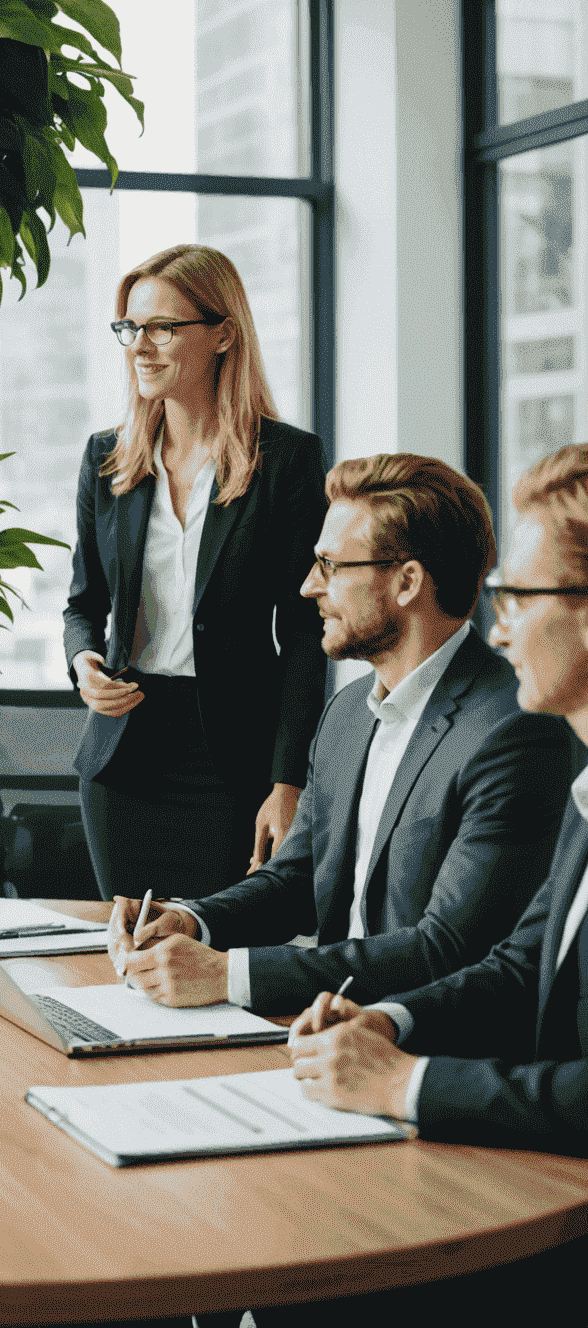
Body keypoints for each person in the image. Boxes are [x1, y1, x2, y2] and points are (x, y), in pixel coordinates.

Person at [274, 442, 588, 1324]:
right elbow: (521, 961)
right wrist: (390, 1020)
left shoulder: (514, 736)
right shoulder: (586, 788)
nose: (498, 628)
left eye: (519, 600)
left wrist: (402, 1083)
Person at [107, 454, 572, 1015]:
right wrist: (193, 919)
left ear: (406, 582)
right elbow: (298, 878)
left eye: (329, 565)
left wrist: (230, 974)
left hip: (409, 1047)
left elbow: (447, 950)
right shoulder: (348, 712)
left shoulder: (514, 731)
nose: (307, 587)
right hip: (322, 1034)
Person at [63, 243, 328, 900]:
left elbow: (305, 631)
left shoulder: (287, 461)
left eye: (162, 328)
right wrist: (83, 664)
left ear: (222, 335)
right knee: (129, 953)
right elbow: (81, 605)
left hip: (234, 761)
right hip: (125, 756)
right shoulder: (108, 460)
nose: (139, 346)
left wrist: (287, 781)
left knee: (211, 956)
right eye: (130, 327)